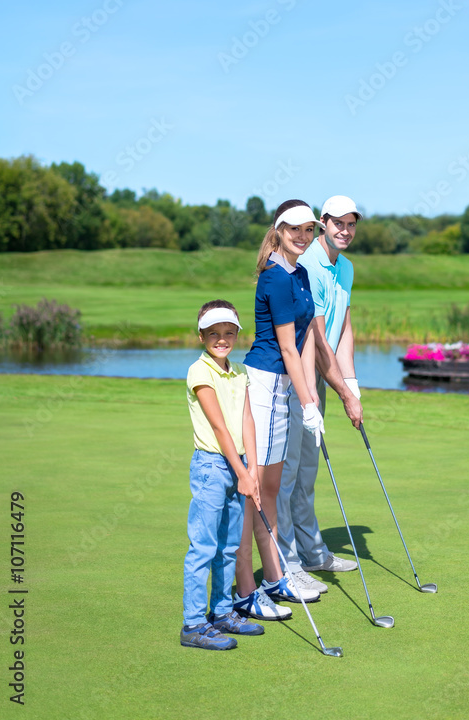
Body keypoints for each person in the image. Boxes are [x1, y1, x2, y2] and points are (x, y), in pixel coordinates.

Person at [233, 200, 326, 621]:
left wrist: (309, 397)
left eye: (309, 230)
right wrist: (308, 402)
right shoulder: (274, 278)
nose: (303, 236)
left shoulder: (301, 273)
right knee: (256, 490)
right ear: (279, 230)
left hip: (286, 387)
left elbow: (306, 342)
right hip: (266, 385)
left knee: (270, 489)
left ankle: (273, 577)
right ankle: (246, 589)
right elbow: (286, 346)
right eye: (295, 229)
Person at [276, 195, 364, 594]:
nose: (345, 230)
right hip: (296, 380)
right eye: (338, 223)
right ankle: (286, 561)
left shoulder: (344, 268)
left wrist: (352, 381)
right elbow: (316, 337)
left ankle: (311, 552)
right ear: (323, 222)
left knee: (307, 471)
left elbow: (342, 329)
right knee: (290, 471)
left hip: (323, 380)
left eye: (352, 224)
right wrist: (344, 392)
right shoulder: (309, 263)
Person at [181, 300, 264, 651]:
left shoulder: (240, 372)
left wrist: (254, 470)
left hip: (240, 464)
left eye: (228, 332)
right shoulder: (199, 372)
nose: (221, 339)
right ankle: (194, 624)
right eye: (213, 333)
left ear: (237, 334)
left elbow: (247, 422)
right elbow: (219, 427)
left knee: (229, 546)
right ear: (201, 335)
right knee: (204, 546)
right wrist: (241, 471)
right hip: (212, 467)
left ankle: (222, 612)